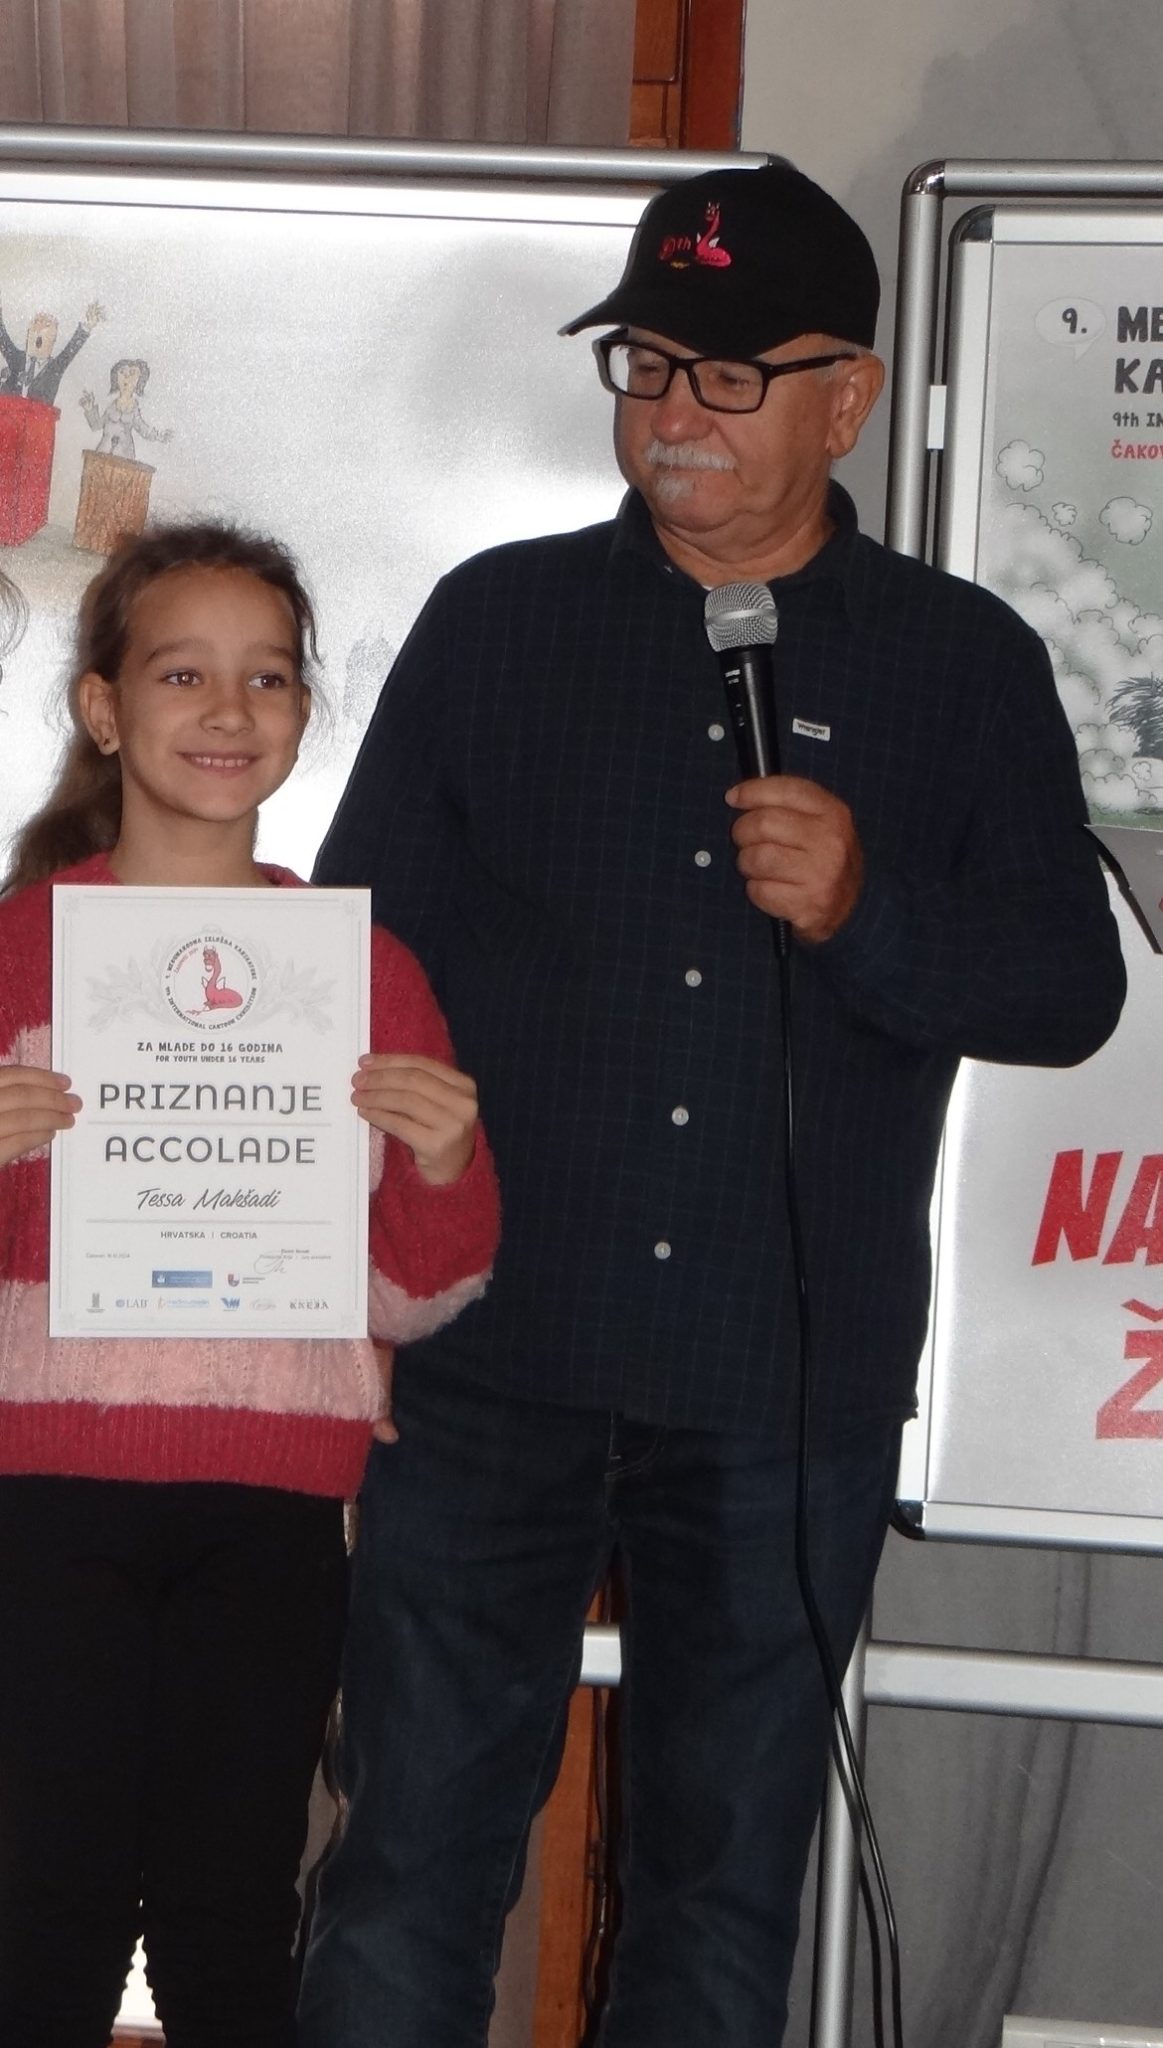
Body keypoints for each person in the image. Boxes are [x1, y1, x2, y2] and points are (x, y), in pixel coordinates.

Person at [297, 162, 1126, 2048]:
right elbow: (356, 958)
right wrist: (340, 1273)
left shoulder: (958, 663)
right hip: (490, 1354)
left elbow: (1065, 990)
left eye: (732, 376)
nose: (674, 412)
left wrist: (866, 913)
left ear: (849, 397)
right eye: (649, 364)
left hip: (781, 1381)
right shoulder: (497, 622)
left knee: (719, 1901)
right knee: (410, 1866)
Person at [0, 519, 500, 2048]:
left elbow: (415, 1295)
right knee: (42, 1904)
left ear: (301, 710)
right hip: (44, 1491)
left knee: (230, 1910)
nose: (229, 710)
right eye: (182, 674)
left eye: (267, 677)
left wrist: (439, 1162)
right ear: (103, 709)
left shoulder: (363, 972)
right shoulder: (17, 951)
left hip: (276, 1498)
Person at [79, 356, 173, 462]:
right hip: (103, 452)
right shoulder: (111, 407)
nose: (126, 377)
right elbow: (96, 426)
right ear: (116, 378)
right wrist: (89, 409)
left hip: (124, 456)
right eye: (122, 372)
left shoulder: (134, 410)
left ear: (139, 381)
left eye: (132, 373)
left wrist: (159, 436)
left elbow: (143, 429)